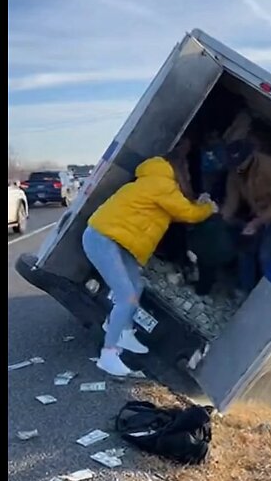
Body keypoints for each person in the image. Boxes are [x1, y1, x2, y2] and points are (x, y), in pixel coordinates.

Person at [85, 156, 217, 377]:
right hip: (104, 240)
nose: (186, 175)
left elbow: (172, 212)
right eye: (184, 169)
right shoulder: (162, 184)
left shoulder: (152, 181)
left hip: (113, 241)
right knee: (126, 296)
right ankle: (108, 355)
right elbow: (187, 213)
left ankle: (124, 332)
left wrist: (198, 204)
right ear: (175, 168)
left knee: (136, 286)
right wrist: (208, 208)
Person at [220, 133, 271, 295]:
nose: (237, 168)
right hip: (258, 216)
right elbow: (232, 201)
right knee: (245, 250)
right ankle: (247, 290)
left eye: (240, 163)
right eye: (234, 164)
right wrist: (217, 219)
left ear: (250, 156)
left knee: (266, 255)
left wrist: (256, 223)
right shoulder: (235, 171)